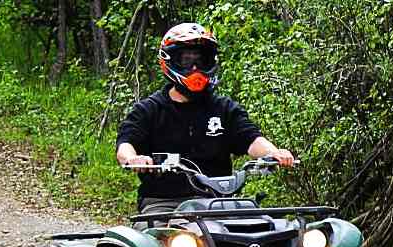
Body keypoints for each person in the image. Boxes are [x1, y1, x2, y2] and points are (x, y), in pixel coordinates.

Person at [116, 22, 295, 217]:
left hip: (218, 202)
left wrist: (274, 153)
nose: (194, 67)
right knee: (156, 242)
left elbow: (251, 138)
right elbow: (126, 143)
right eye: (186, 60)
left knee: (261, 228)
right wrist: (133, 158)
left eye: (201, 60)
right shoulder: (149, 110)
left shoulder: (223, 108)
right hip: (164, 204)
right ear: (171, 61)